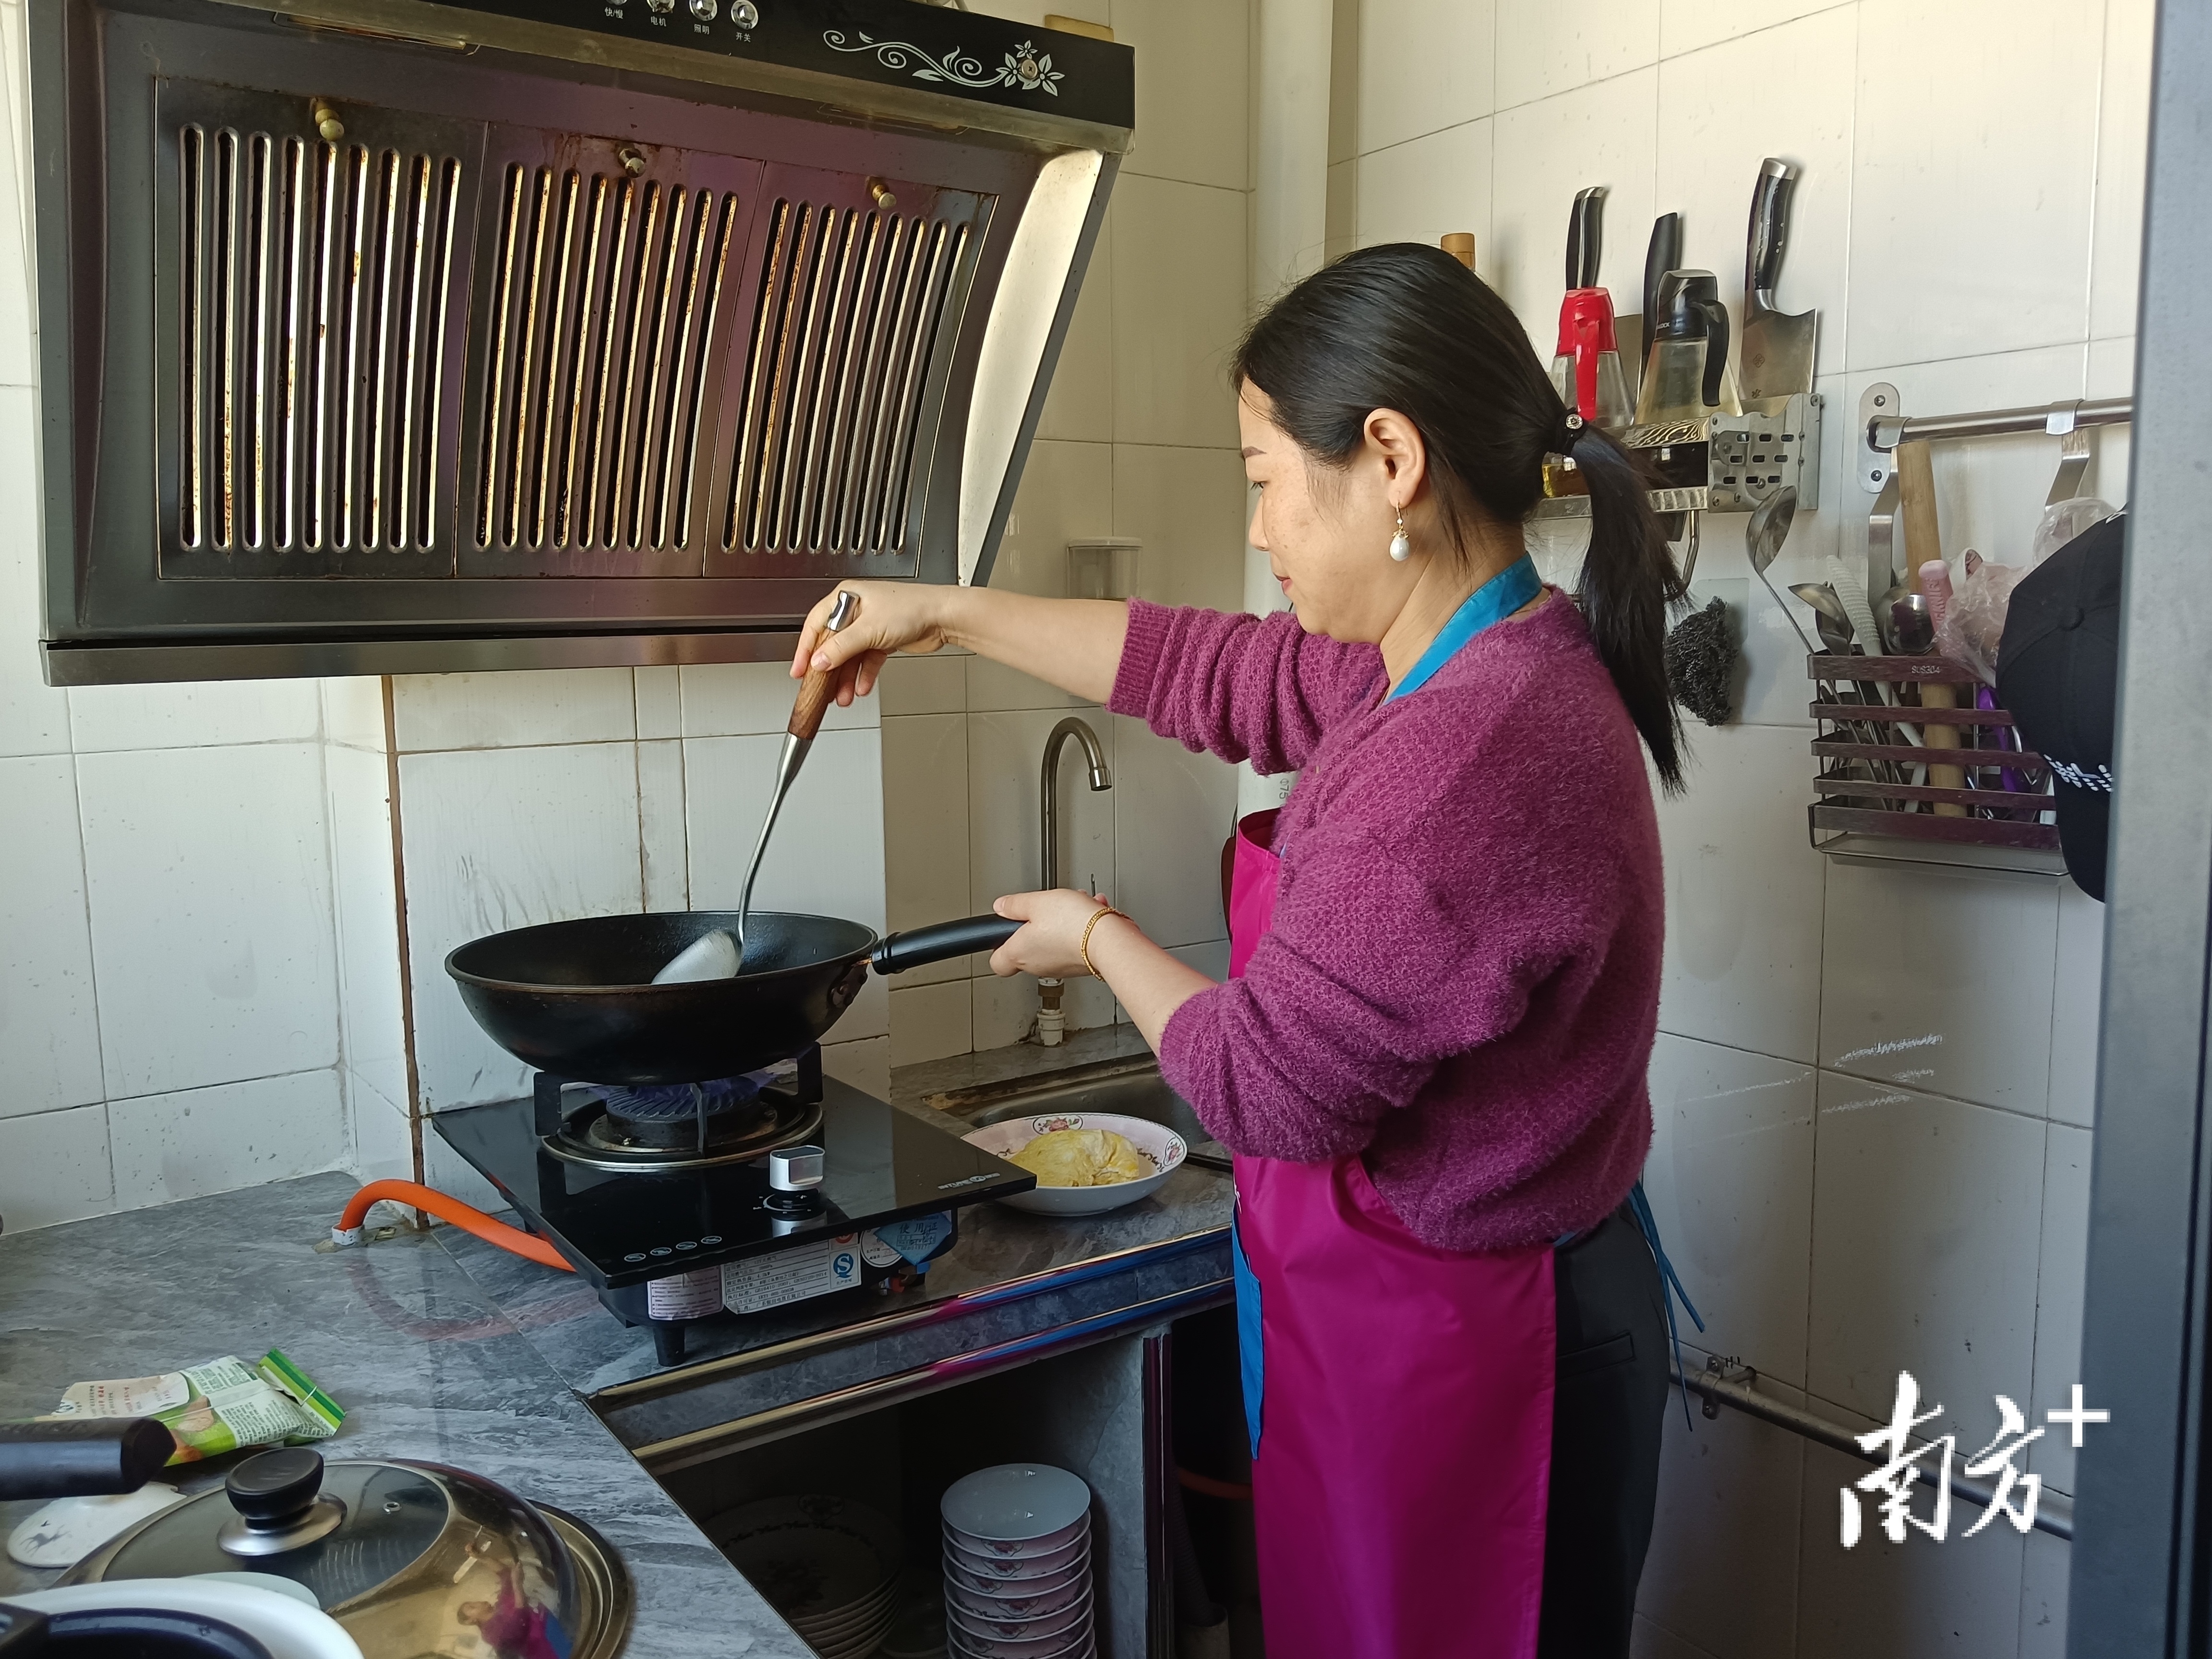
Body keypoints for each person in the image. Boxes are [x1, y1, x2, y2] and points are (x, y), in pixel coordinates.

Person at [794, 243, 1682, 1659]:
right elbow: (1209, 669)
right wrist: (942, 612)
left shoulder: (1460, 759)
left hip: (1488, 1349)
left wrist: (1095, 934)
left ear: (1388, 457)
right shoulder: (1468, 658)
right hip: (1451, 1309)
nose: (1259, 526)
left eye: (1266, 478)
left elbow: (1266, 1091)